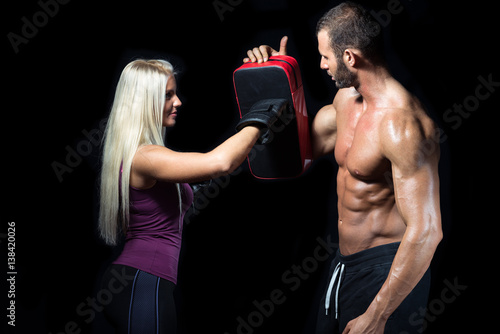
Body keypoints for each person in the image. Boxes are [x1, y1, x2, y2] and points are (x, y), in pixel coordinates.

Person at [244, 2, 442, 333]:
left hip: (389, 272)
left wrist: (377, 315)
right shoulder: (345, 101)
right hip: (345, 266)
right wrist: (273, 76)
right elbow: (292, 153)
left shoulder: (402, 125)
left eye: (325, 56)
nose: (321, 64)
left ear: (350, 57)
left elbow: (427, 231)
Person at [98, 59, 283, 333]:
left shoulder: (138, 155)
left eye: (175, 92)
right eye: (167, 95)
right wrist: (263, 115)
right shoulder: (145, 156)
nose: (179, 102)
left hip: (140, 280)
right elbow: (219, 162)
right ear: (144, 102)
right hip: (145, 280)